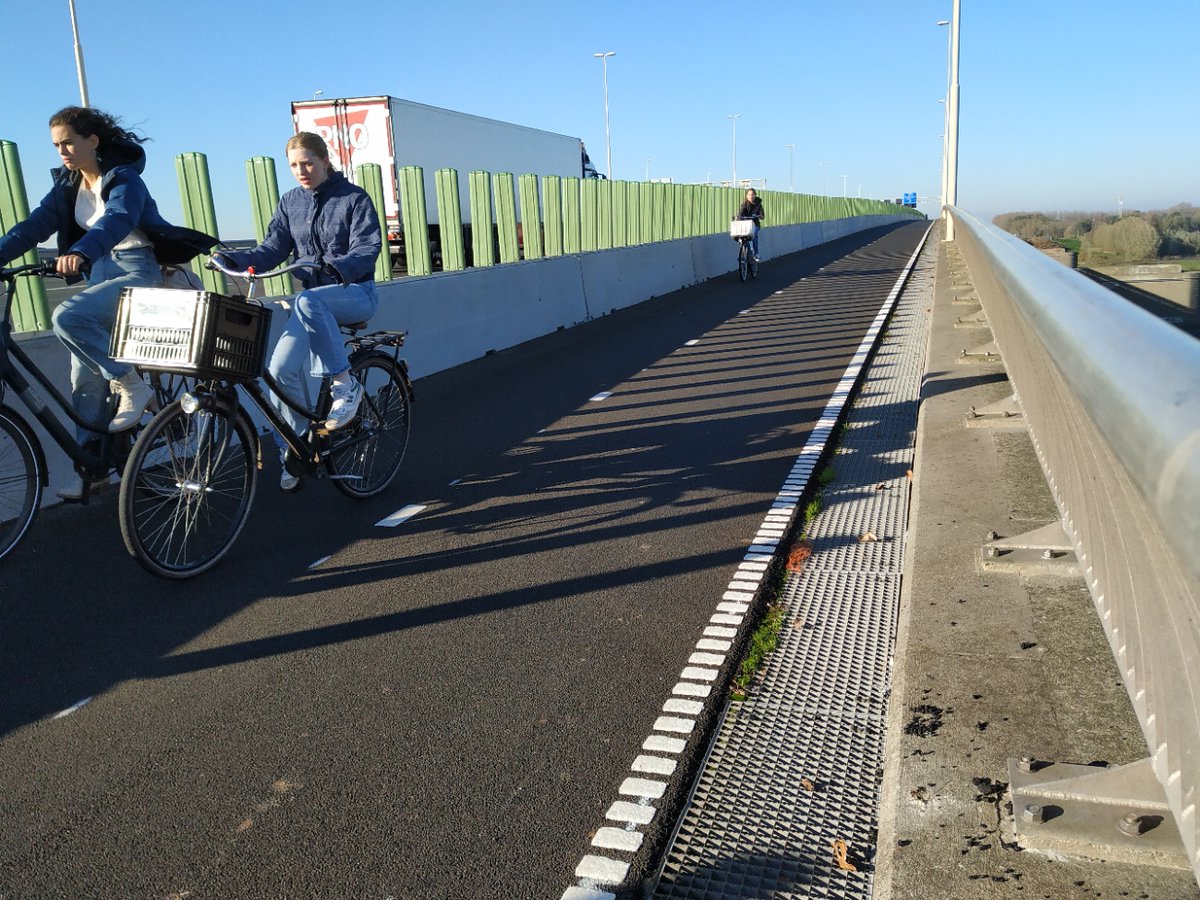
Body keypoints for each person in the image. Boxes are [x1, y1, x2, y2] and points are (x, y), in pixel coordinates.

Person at [0, 106, 215, 499]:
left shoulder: (125, 179)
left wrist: (80, 251)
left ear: (92, 141)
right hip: (101, 273)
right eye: (56, 145)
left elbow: (115, 219)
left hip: (138, 274)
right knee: (83, 378)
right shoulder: (68, 186)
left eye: (68, 142)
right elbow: (31, 227)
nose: (62, 151)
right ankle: (93, 468)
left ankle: (132, 384)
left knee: (66, 317)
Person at [211, 131, 381, 492]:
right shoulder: (291, 202)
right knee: (279, 370)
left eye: (308, 163)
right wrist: (234, 259)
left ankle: (344, 386)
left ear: (324, 161)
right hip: (312, 304)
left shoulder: (354, 198)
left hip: (354, 291)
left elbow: (367, 248)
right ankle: (297, 445)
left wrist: (340, 268)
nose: (301, 170)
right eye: (294, 165)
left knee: (308, 300)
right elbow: (272, 248)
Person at [736, 188, 765, 261]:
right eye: (749, 195)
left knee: (754, 234)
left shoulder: (758, 204)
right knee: (739, 235)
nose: (751, 196)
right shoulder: (744, 204)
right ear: (746, 196)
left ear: (755, 195)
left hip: (755, 224)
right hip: (746, 224)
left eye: (752, 195)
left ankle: (756, 253)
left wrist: (759, 216)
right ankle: (744, 251)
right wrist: (738, 218)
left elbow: (762, 215)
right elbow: (740, 213)